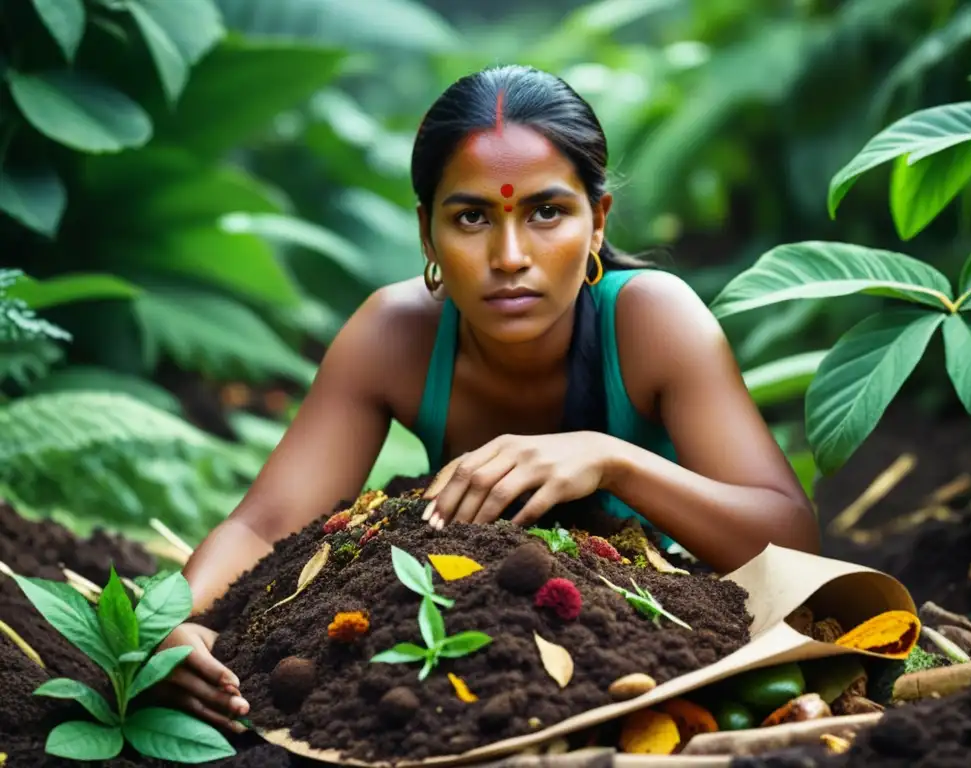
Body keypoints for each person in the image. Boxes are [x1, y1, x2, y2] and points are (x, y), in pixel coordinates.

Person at [156, 64, 819, 731]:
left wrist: (610, 459)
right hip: (452, 672)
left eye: (547, 213)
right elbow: (264, 526)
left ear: (597, 222)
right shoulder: (393, 336)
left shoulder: (651, 322)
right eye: (472, 216)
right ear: (428, 233)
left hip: (654, 651)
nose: (509, 255)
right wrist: (178, 626)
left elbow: (790, 538)